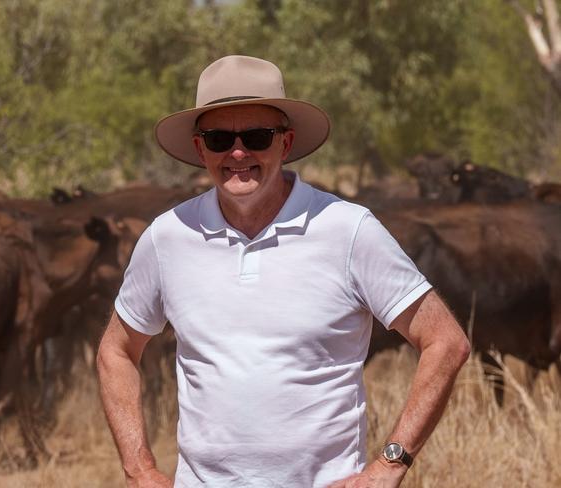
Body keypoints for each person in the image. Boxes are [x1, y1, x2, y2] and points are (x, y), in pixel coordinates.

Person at [97, 55, 470, 488]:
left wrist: (390, 463)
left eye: (256, 136)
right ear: (201, 149)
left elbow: (446, 341)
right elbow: (116, 351)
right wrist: (138, 469)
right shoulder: (168, 237)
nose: (238, 153)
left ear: (286, 143)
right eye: (219, 139)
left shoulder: (348, 230)